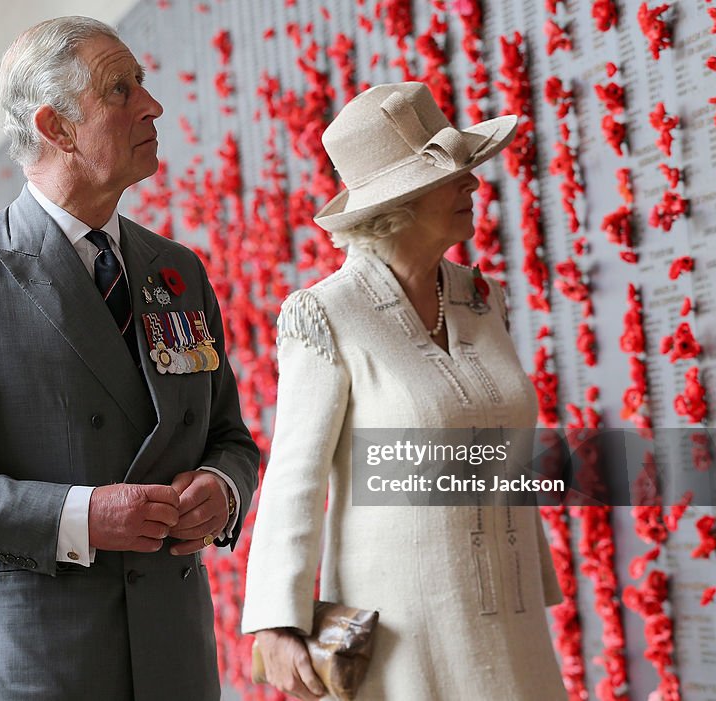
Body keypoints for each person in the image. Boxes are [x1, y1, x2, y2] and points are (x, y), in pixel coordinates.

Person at [0, 16, 259, 701]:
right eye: (122, 90)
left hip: (173, 656)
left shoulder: (175, 270)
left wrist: (223, 490)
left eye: (141, 82)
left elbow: (230, 435)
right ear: (56, 127)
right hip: (36, 664)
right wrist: (80, 517)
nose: (153, 105)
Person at [242, 83, 568, 700]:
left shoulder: (481, 296)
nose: (474, 185)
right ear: (400, 200)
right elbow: (295, 475)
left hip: (510, 597)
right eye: (454, 174)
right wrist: (277, 622)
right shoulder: (324, 314)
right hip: (404, 626)